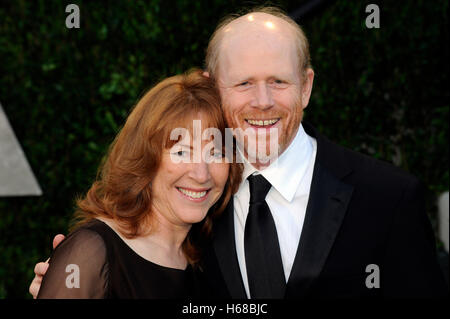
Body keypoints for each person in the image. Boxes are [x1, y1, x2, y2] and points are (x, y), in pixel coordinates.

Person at [30, 7, 448, 299]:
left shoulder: (388, 199)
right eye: (244, 83)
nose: (262, 101)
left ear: (306, 86)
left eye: (279, 82)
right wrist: (79, 276)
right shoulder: (196, 204)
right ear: (215, 87)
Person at [34, 69, 242, 298]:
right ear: (146, 158)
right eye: (182, 152)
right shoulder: (93, 251)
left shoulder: (212, 265)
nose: (202, 174)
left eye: (216, 153)